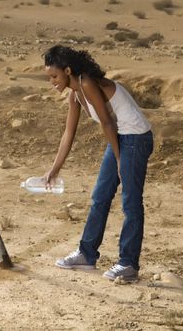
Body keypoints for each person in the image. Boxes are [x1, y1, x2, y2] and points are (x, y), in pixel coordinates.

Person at [43, 44, 153, 282]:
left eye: (54, 76)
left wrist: (120, 160)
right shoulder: (75, 94)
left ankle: (128, 264)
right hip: (122, 138)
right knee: (100, 196)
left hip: (135, 137)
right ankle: (86, 253)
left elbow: (107, 124)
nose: (51, 82)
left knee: (131, 202)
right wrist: (54, 169)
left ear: (68, 70)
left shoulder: (86, 83)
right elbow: (68, 133)